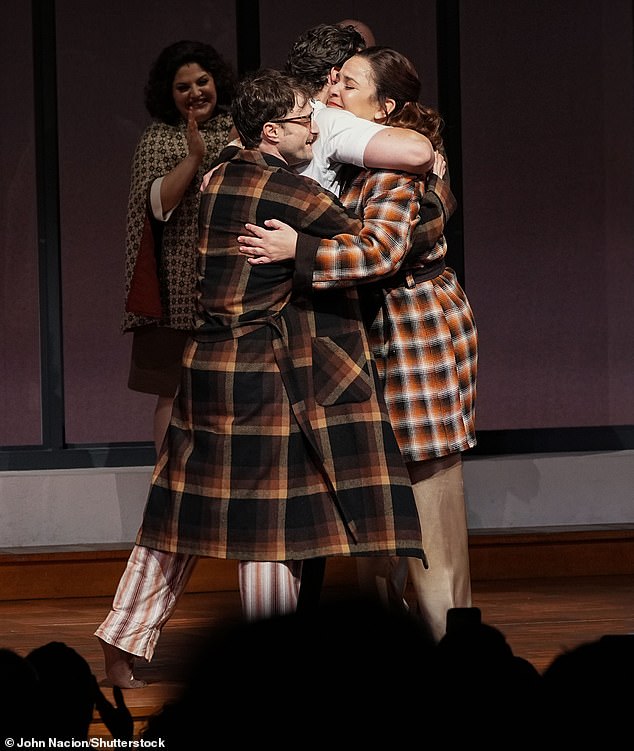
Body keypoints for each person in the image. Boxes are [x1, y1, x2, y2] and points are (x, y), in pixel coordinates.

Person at [95, 68, 427, 689]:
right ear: (273, 132)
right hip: (261, 377)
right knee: (268, 529)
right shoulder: (291, 196)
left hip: (207, 371)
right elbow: (373, 249)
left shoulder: (220, 171)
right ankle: (270, 662)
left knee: (177, 515)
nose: (316, 130)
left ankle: (123, 639)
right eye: (307, 120)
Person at [238, 46, 477, 643]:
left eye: (347, 83)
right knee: (377, 501)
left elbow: (383, 252)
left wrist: (301, 252)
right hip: (371, 334)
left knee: (427, 501)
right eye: (331, 81)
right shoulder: (347, 156)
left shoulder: (398, 167)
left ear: (385, 106)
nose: (332, 91)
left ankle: (454, 647)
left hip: (415, 333)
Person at [122, 40, 237, 453]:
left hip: (230, 281)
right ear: (168, 94)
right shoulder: (157, 139)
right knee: (171, 391)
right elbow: (156, 206)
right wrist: (193, 158)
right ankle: (164, 488)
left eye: (202, 82)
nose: (195, 93)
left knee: (229, 392)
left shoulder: (239, 131)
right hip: (176, 286)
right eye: (182, 87)